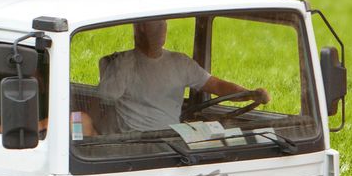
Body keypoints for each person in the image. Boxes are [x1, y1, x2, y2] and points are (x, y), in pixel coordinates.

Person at [97, 19, 267, 133]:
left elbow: (217, 86)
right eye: (154, 25)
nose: (160, 30)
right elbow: (106, 96)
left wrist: (250, 94)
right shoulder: (123, 63)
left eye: (163, 24)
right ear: (139, 28)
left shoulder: (180, 62)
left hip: (172, 140)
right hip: (135, 143)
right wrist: (123, 66)